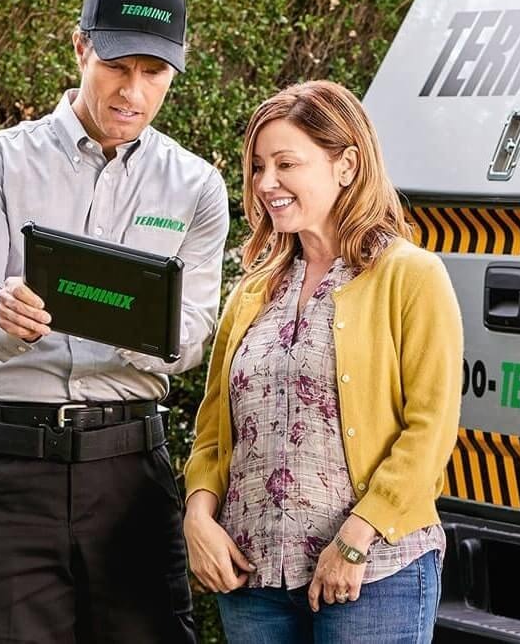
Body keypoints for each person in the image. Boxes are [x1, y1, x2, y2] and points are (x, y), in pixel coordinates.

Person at [0, 0, 228, 643]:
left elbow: (192, 334)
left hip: (131, 477)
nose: (134, 91)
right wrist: (0, 319)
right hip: (6, 474)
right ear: (79, 48)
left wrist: (137, 323)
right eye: (117, 67)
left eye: (155, 72)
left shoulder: (197, 188)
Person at [180, 80, 462, 643]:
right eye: (258, 167)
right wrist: (197, 517)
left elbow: (430, 429)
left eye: (286, 164)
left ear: (347, 165)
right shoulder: (251, 292)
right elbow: (212, 433)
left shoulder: (410, 276)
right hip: (254, 579)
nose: (267, 183)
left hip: (375, 574)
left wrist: (355, 540)